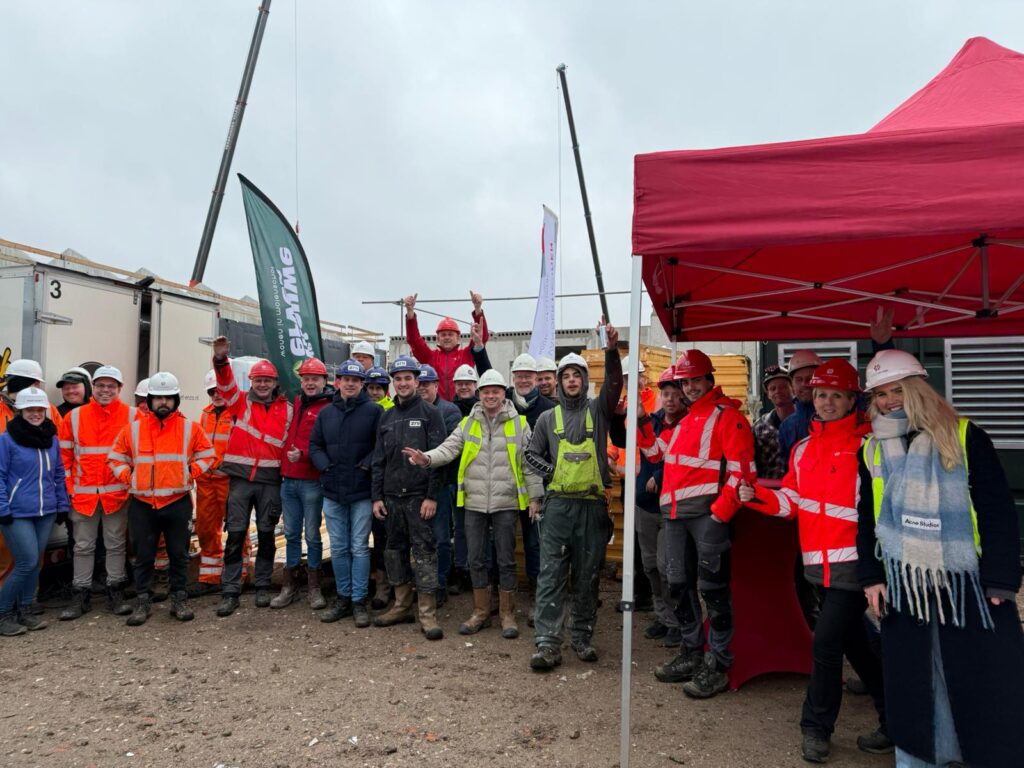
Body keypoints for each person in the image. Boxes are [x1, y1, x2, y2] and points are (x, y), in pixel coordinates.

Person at [858, 349, 1024, 768]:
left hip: (968, 585)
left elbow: (997, 509)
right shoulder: (872, 448)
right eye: (879, 394)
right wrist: (871, 576)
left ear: (918, 389)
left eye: (897, 390)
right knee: (915, 688)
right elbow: (867, 518)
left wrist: (1000, 579)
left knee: (982, 683)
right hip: (904, 586)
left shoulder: (965, 435)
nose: (888, 401)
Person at [737, 359, 889, 762]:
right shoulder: (803, 448)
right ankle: (894, 718)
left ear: (853, 400)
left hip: (855, 564)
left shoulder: (869, 445)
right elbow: (793, 501)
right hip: (817, 566)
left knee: (825, 644)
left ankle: (816, 727)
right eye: (821, 394)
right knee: (856, 645)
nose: (827, 402)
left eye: (836, 395)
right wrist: (758, 497)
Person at [638, 349, 755, 698]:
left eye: (695, 380)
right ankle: (691, 653)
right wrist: (642, 421)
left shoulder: (728, 418)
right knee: (677, 585)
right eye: (684, 382)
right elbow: (656, 453)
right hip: (675, 516)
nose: (689, 387)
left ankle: (718, 664)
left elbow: (743, 473)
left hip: (707, 517)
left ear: (709, 380)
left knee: (713, 591)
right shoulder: (686, 420)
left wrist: (719, 514)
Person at [404, 368, 544, 639]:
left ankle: (506, 613)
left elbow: (529, 462)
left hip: (506, 502)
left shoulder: (520, 423)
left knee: (506, 559)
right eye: (486, 392)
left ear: (504, 394)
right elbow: (449, 448)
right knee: (476, 558)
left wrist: (535, 497)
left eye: (496, 391)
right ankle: (481, 612)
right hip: (474, 501)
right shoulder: (468, 423)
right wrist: (427, 458)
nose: (490, 396)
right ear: (480, 394)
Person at [525, 322, 623, 670]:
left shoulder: (598, 410)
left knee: (587, 576)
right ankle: (547, 643)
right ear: (558, 381)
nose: (570, 380)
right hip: (558, 508)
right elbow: (530, 455)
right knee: (551, 575)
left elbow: (615, 383)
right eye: (565, 375)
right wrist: (553, 473)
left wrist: (611, 351)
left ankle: (582, 637)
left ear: (584, 380)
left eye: (576, 375)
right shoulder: (546, 419)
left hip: (592, 507)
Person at [108, 372, 215, 626]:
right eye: (158, 398)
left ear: (175, 399)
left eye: (168, 398)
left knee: (179, 555)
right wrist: (129, 477)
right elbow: (115, 457)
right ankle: (143, 601)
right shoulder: (133, 429)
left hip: (177, 502)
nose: (163, 402)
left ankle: (179, 599)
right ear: (150, 400)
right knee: (144, 556)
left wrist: (191, 472)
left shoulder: (190, 428)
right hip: (143, 503)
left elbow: (208, 455)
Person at [210, 337, 294, 617]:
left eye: (267, 381)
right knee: (235, 534)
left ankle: (262, 585)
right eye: (258, 380)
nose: (262, 385)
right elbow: (225, 385)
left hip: (270, 481)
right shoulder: (240, 402)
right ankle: (230, 590)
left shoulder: (287, 409)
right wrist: (221, 360)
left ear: (275, 383)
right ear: (252, 381)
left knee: (267, 534)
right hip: (241, 480)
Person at [370, 356, 447, 640]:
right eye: (398, 379)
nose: (403, 383)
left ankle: (427, 614)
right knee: (394, 552)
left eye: (408, 378)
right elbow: (379, 460)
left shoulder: (430, 413)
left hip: (419, 498)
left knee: (425, 553)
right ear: (393, 382)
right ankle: (401, 606)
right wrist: (377, 497)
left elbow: (440, 458)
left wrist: (431, 496)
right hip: (391, 498)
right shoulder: (386, 416)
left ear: (417, 381)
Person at [58, 365, 135, 620]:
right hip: (83, 496)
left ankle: (115, 593)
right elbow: (63, 458)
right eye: (100, 385)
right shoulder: (75, 417)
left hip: (117, 495)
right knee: (82, 547)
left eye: (111, 386)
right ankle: (81, 596)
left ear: (120, 388)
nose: (105, 390)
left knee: (116, 545)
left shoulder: (133, 416)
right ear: (93, 387)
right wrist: (70, 489)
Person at [309, 359, 382, 628]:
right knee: (339, 547)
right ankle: (343, 597)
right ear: (338, 382)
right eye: (346, 379)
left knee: (359, 547)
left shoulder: (374, 411)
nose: (350, 384)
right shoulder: (326, 413)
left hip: (361, 491)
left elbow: (381, 447)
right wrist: (326, 467)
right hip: (333, 490)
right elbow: (315, 445)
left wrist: (365, 466)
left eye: (355, 380)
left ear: (362, 384)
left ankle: (359, 601)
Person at [0, 388, 69, 636]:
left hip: (45, 511)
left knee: (35, 563)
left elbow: (58, 474)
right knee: (26, 562)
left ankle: (25, 610)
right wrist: (2, 508)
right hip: (16, 512)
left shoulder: (51, 439)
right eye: (30, 410)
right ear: (20, 411)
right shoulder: (6, 440)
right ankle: (3, 613)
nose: (36, 414)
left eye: (40, 409)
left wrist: (62, 505)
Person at [272, 357, 333, 610]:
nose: (310, 383)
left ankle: (314, 586)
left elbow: (328, 445)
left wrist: (305, 456)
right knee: (290, 534)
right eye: (306, 379)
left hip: (311, 481)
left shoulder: (328, 408)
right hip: (289, 479)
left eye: (315, 379)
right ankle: (290, 585)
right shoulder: (296, 403)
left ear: (324, 381)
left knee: (312, 535)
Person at [635, 367, 688, 649]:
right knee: (650, 566)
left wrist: (660, 474)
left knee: (668, 567)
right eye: (665, 394)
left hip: (671, 506)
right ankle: (663, 617)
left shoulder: (688, 425)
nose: (670, 399)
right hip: (645, 503)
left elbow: (678, 461)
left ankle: (678, 621)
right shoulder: (651, 421)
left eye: (675, 394)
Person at [190, 369, 240, 596]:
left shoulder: (237, 414)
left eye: (220, 390)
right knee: (206, 529)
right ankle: (210, 577)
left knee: (237, 529)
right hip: (206, 480)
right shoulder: (205, 414)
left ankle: (240, 576)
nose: (217, 395)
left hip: (229, 480)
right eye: (212, 391)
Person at [417, 363, 462, 606]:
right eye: (420, 383)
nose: (422, 388)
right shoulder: (409, 409)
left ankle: (440, 583)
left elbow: (449, 450)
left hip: (442, 483)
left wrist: (434, 491)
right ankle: (423, 583)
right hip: (414, 485)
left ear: (436, 385)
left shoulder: (449, 411)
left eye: (427, 384)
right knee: (420, 539)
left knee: (441, 536)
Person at [403, 291, 489, 401]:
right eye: (443, 335)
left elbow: (481, 337)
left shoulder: (466, 355)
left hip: (462, 406)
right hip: (436, 407)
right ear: (437, 339)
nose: (447, 337)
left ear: (458, 338)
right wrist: (410, 312)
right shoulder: (430, 357)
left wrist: (478, 309)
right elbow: (414, 340)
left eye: (450, 334)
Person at [447, 363, 479, 595]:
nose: (464, 387)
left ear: (475, 385)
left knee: (480, 529)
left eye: (468, 383)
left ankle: (479, 572)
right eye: (460, 383)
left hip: (480, 477)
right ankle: (461, 571)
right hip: (455, 477)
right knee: (459, 527)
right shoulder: (449, 410)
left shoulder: (484, 408)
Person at [778, 350, 823, 473]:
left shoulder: (836, 418)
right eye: (799, 380)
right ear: (792, 385)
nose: (804, 384)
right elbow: (787, 470)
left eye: (810, 378)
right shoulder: (786, 426)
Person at [752, 364, 795, 480]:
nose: (778, 391)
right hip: (769, 487)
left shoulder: (806, 422)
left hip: (800, 487)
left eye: (783, 387)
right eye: (772, 389)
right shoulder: (759, 427)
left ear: (793, 389)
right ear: (768, 395)